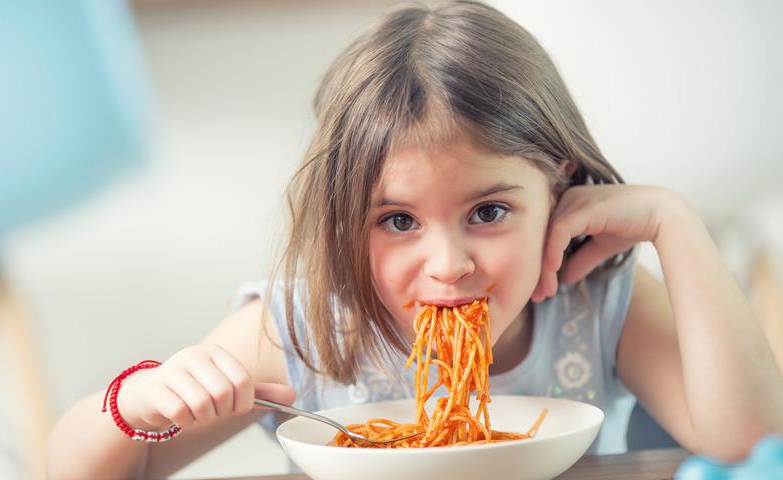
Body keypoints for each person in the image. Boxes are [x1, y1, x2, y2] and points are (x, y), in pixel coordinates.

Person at [46, 1, 783, 478]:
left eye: (489, 213)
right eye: (398, 221)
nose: (448, 265)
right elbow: (73, 471)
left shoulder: (599, 304)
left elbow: (746, 441)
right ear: (343, 220)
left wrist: (672, 223)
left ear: (559, 187)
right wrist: (134, 403)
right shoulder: (305, 331)